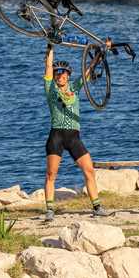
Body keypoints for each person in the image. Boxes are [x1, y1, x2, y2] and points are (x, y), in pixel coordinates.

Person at [42, 44, 104, 219]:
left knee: (89, 171)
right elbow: (48, 65)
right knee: (51, 174)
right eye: (57, 73)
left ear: (68, 76)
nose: (60, 75)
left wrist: (100, 53)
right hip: (57, 135)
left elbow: (88, 71)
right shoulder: (50, 90)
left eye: (63, 73)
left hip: (74, 136)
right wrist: (51, 45)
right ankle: (49, 210)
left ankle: (97, 207)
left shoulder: (75, 88)